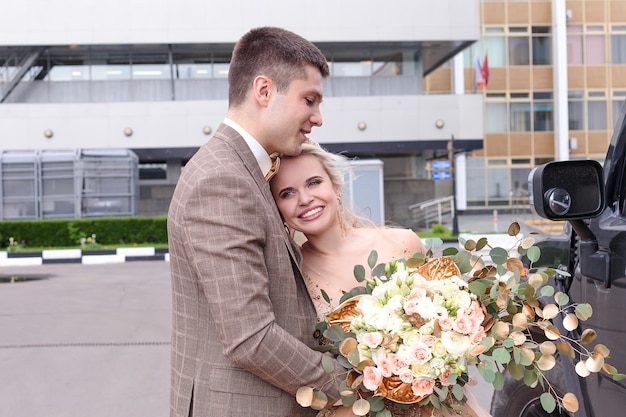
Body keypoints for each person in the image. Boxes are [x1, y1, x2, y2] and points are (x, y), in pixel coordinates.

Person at [167, 27, 344, 417]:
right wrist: (356, 387)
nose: (317, 118)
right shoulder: (222, 179)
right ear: (264, 91)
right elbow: (251, 337)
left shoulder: (250, 170)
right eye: (309, 100)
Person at [270, 141, 492, 417]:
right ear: (277, 209)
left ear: (335, 187)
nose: (304, 199)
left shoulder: (402, 244)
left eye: (314, 183)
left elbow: (453, 323)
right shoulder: (291, 278)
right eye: (287, 193)